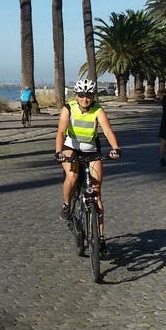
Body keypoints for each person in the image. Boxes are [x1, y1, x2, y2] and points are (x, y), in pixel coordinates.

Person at [55, 78, 121, 256]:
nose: (85, 99)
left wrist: (115, 148)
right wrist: (58, 151)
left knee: (96, 193)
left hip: (92, 150)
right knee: (73, 176)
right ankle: (66, 205)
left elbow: (107, 130)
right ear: (76, 95)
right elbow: (61, 131)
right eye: (82, 95)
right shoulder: (69, 108)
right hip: (71, 148)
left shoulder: (98, 110)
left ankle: (101, 238)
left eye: (89, 95)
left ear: (93, 96)